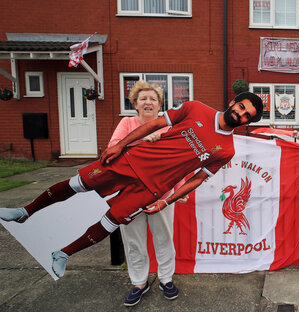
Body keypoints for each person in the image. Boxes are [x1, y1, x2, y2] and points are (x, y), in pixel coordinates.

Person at [0, 90, 263, 283]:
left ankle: (64, 254)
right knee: (76, 184)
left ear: (247, 123)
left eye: (246, 116)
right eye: (241, 107)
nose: (240, 114)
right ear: (233, 102)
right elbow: (154, 124)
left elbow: (197, 179)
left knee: (110, 222)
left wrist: (165, 201)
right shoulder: (196, 108)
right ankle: (24, 212)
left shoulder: (226, 150)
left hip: (152, 188)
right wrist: (120, 144)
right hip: (130, 161)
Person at [111, 81, 185, 306]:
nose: (148, 102)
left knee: (164, 237)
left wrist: (181, 188)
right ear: (135, 104)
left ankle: (166, 279)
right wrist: (141, 140)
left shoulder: (167, 128)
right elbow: (113, 150)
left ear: (160, 104)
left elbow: (178, 160)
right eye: (143, 99)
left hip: (161, 192)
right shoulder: (127, 123)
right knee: (133, 240)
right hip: (129, 192)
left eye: (153, 99)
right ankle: (139, 283)